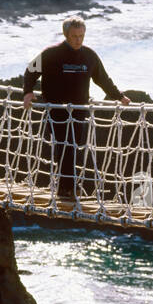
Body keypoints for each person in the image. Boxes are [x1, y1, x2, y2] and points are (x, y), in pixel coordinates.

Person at [22, 17, 130, 204]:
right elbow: (30, 71)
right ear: (66, 35)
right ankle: (67, 188)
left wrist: (119, 96)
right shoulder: (51, 54)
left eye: (81, 36)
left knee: (74, 146)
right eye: (74, 36)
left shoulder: (89, 56)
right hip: (57, 109)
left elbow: (103, 79)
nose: (78, 40)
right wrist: (28, 92)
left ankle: (66, 186)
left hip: (79, 110)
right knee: (65, 146)